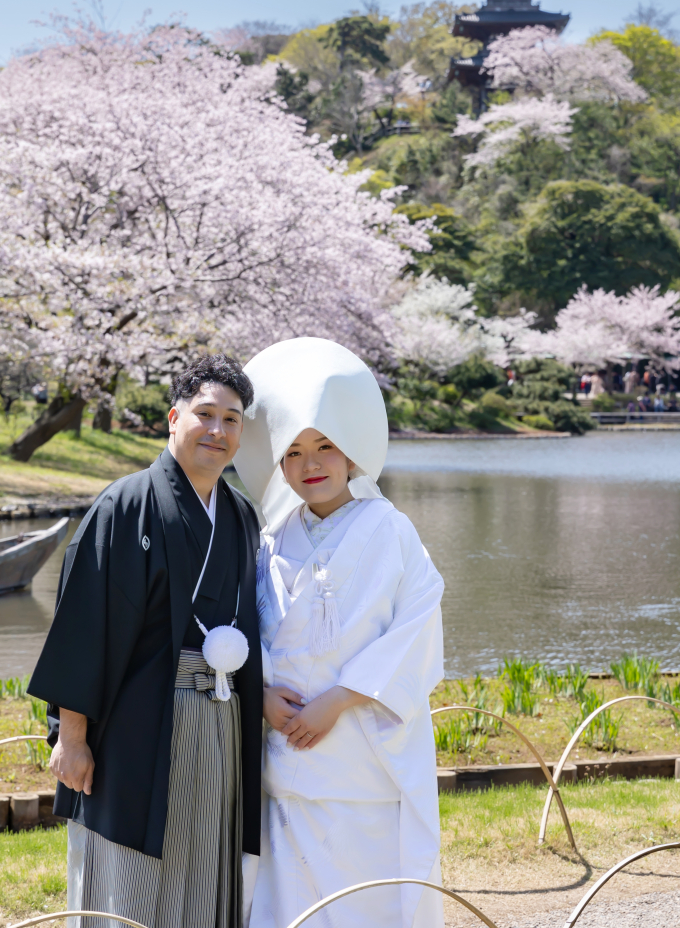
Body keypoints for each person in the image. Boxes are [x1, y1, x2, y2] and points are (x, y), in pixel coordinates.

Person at [28, 355, 263, 928]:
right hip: (136, 724)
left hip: (219, 718)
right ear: (173, 418)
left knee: (207, 855)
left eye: (232, 420)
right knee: (132, 864)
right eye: (204, 414)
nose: (217, 430)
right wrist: (74, 736)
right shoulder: (126, 504)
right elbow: (86, 625)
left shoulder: (240, 515)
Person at [234, 337, 445, 928]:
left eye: (326, 446)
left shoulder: (390, 528)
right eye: (295, 452)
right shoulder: (273, 538)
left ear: (352, 453)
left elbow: (418, 623)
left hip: (360, 746)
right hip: (287, 751)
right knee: (289, 889)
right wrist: (263, 694)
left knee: (363, 892)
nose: (312, 464)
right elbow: (254, 629)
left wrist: (339, 699)